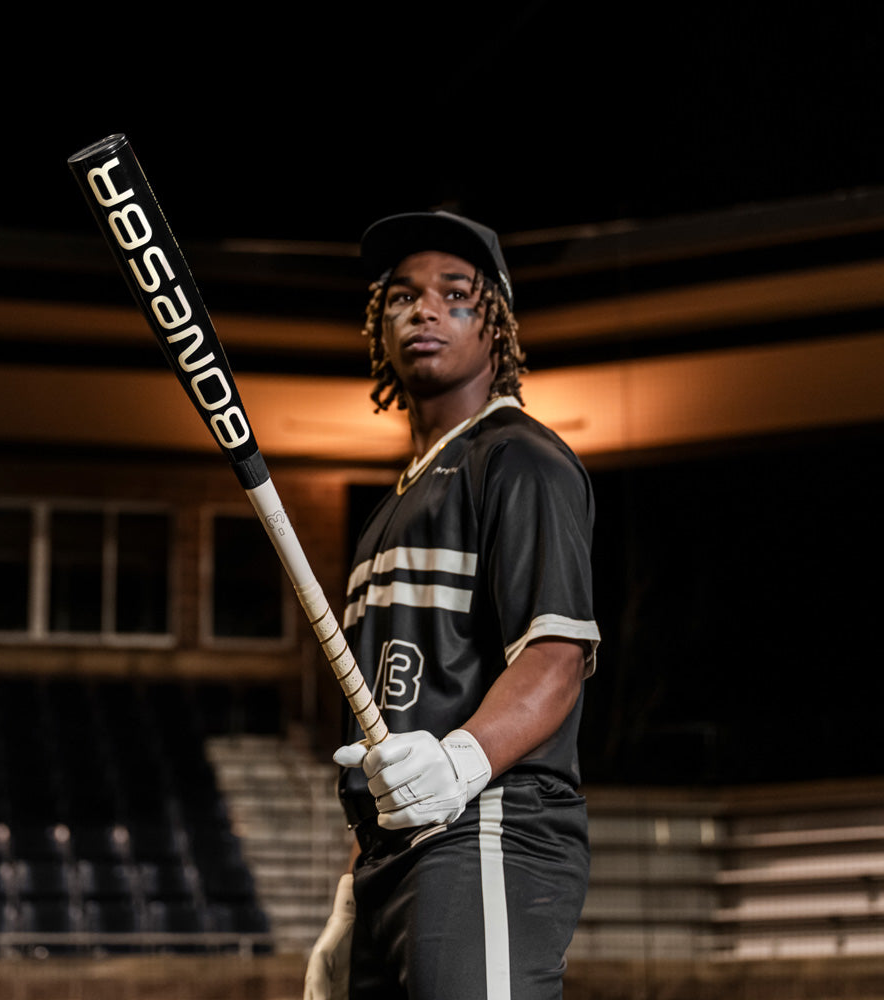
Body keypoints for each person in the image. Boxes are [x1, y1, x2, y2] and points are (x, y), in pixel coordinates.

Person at [304, 211, 600, 1000]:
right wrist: (350, 892)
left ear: (497, 322)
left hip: (486, 830)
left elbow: (555, 655)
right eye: (401, 296)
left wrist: (460, 759)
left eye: (454, 294)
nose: (423, 310)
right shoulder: (384, 514)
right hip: (390, 859)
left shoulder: (521, 459)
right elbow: (388, 725)